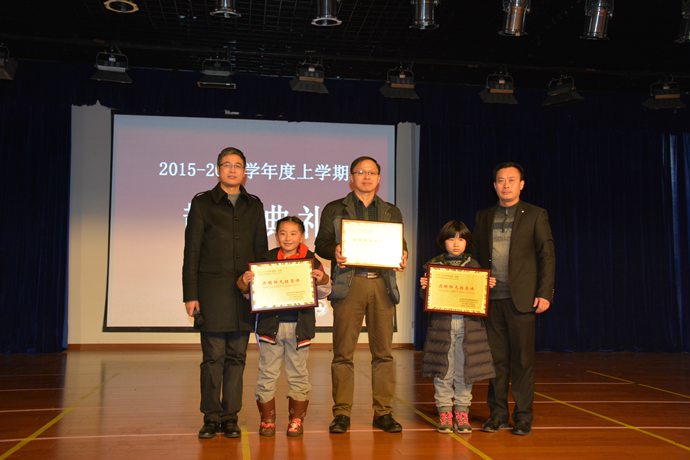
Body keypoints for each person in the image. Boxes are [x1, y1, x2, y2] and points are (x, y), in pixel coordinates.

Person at [315, 155, 408, 434]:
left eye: (371, 172)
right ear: (351, 177)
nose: (366, 177)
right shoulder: (335, 208)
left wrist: (402, 255)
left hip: (382, 285)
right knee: (343, 353)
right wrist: (334, 251)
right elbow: (321, 243)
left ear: (379, 178)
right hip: (350, 284)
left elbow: (400, 244)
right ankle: (342, 413)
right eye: (360, 172)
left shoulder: (391, 211)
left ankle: (383, 412)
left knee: (384, 354)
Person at [182, 147, 269, 439]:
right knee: (213, 358)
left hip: (243, 293)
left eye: (238, 165)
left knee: (237, 357)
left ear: (245, 171)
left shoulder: (254, 205)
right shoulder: (202, 203)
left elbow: (260, 251)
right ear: (218, 169)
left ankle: (231, 416)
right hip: (212, 292)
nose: (232, 170)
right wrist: (190, 294)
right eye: (227, 165)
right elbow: (192, 252)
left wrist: (261, 291)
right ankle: (210, 417)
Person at [472, 162, 555, 436]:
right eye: (500, 180)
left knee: (522, 361)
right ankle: (497, 414)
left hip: (523, 300)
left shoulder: (535, 214)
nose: (505, 185)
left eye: (511, 180)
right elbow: (476, 257)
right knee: (495, 361)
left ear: (521, 184)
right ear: (494, 185)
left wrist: (544, 292)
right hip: (491, 300)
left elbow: (546, 255)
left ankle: (522, 416)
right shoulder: (483, 216)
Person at [237, 216, 331, 438]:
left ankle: (296, 420)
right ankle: (267, 420)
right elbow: (248, 294)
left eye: (293, 233)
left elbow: (324, 292)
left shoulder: (311, 261)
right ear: (276, 235)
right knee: (267, 373)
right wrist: (245, 282)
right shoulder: (265, 260)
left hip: (300, 328)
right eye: (282, 233)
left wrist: (322, 278)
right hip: (270, 327)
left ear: (302, 236)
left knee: (298, 374)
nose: (288, 238)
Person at [419, 220, 496, 434]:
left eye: (461, 239)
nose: (456, 243)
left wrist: (487, 287)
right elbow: (426, 299)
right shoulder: (433, 265)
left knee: (465, 370)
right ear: (443, 241)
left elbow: (481, 300)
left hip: (469, 327)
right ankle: (445, 412)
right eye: (451, 239)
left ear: (467, 242)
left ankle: (462, 412)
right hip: (441, 327)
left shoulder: (475, 266)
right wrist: (425, 288)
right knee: (443, 371)